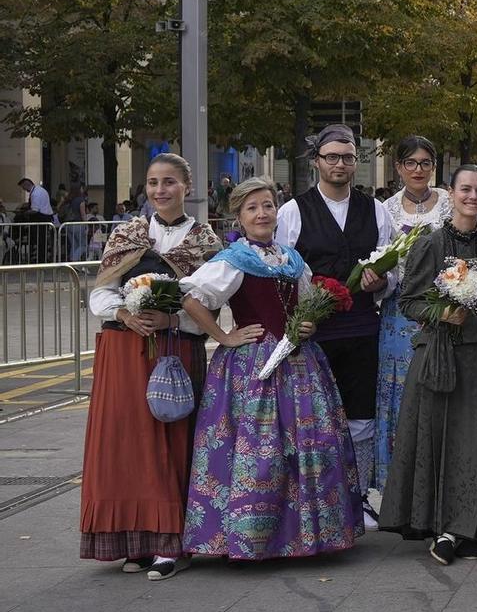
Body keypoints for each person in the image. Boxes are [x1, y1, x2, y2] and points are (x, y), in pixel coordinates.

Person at [179, 179, 364, 562]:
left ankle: (307, 536)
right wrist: (224, 337)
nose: (262, 214)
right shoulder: (233, 259)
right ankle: (253, 538)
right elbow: (192, 298)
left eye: (267, 205)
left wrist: (308, 324)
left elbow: (308, 305)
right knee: (258, 450)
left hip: (299, 361)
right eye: (252, 208)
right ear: (239, 217)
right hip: (252, 365)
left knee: (305, 447)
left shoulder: (292, 259)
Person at [80, 154, 223, 578]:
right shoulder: (127, 233)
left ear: (187, 186)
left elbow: (213, 304)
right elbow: (100, 293)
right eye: (153, 183)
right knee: (125, 446)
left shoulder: (204, 242)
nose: (160, 190)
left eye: (169, 183)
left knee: (170, 443)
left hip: (175, 352)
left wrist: (172, 318)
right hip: (123, 352)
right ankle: (134, 541)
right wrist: (125, 314)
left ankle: (170, 541)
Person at [378, 165, 477, 564]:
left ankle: (472, 527)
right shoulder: (430, 242)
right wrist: (442, 314)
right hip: (439, 355)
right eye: (466, 189)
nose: (474, 197)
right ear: (452, 192)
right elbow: (408, 301)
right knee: (441, 439)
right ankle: (445, 527)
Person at [276, 124, 396, 514]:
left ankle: (358, 497)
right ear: (316, 163)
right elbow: (280, 272)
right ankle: (320, 499)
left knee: (361, 415)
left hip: (363, 327)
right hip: (315, 333)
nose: (340, 164)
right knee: (315, 418)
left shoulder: (375, 209)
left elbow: (393, 266)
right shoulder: (292, 211)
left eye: (347, 157)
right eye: (332, 157)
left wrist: (382, 280)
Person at [373, 136, 447, 495]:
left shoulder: (448, 202)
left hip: (446, 306)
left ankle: (438, 476)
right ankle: (400, 485)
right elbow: (382, 262)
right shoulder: (385, 210)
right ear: (399, 167)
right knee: (401, 392)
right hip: (399, 311)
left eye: (425, 163)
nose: (419, 170)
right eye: (411, 163)